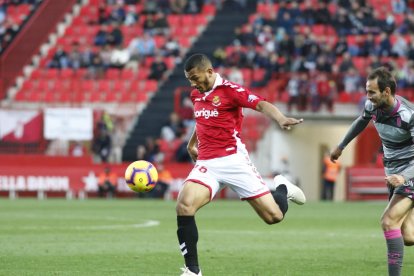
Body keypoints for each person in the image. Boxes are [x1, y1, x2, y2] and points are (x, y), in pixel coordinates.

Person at [176, 54, 306, 276]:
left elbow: (261, 104)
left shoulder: (230, 91)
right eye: (189, 79)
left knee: (273, 217)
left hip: (234, 161)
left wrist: (281, 118)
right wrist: (191, 144)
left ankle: (283, 187)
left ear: (209, 71)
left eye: (195, 78)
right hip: (207, 163)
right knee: (184, 205)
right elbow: (203, 120)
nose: (193, 83)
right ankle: (192, 271)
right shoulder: (196, 94)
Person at [330, 67, 414, 276]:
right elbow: (361, 121)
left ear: (386, 91)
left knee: (388, 222)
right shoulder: (372, 106)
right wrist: (341, 146)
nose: (367, 96)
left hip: (410, 172)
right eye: (367, 91)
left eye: (371, 92)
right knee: (408, 236)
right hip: (393, 173)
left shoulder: (408, 115)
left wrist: (405, 176)